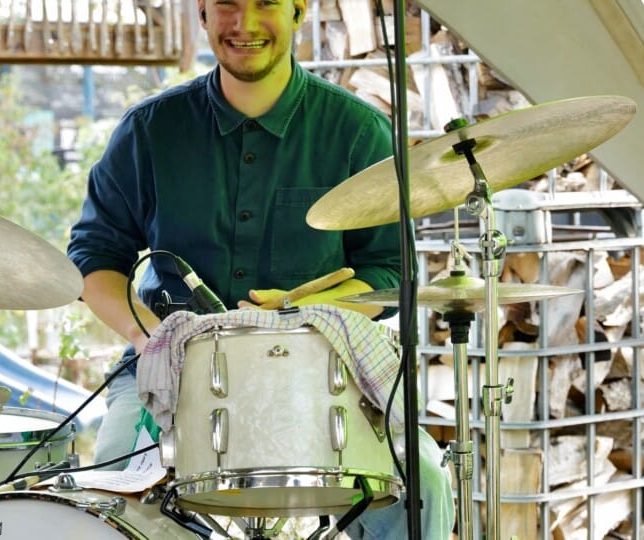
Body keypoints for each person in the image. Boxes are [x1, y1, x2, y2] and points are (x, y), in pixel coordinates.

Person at [66, 0, 454, 536]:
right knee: (115, 504)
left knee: (423, 487)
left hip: (319, 369)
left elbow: (389, 271)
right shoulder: (149, 130)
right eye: (227, 3)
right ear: (203, 14)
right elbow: (93, 258)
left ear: (298, 11)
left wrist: (306, 308)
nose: (244, 23)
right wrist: (147, 335)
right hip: (170, 369)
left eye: (266, 3)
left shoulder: (357, 130)